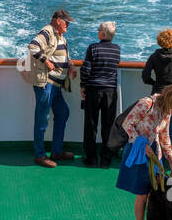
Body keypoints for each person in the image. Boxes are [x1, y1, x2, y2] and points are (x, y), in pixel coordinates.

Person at [116, 84, 172, 220]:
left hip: (155, 153)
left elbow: (164, 136)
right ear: (171, 99)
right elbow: (127, 124)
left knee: (154, 193)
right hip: (139, 151)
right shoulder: (146, 104)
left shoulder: (167, 111)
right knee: (142, 194)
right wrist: (142, 145)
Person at [27, 9, 74, 168]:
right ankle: (40, 155)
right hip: (46, 83)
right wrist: (46, 62)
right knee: (42, 118)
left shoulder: (61, 37)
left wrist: (71, 66)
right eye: (67, 22)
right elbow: (33, 46)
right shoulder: (48, 31)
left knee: (63, 112)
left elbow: (64, 57)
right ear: (58, 21)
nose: (68, 25)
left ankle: (56, 151)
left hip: (56, 86)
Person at [142, 28, 172, 169]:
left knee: (156, 129)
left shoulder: (154, 57)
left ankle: (157, 162)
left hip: (158, 97)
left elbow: (145, 76)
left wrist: (155, 83)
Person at [80, 21, 121, 167]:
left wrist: (82, 86)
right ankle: (106, 159)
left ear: (102, 34)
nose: (97, 31)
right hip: (110, 92)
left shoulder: (93, 48)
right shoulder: (117, 49)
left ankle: (91, 158)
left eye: (98, 30)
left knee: (91, 125)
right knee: (108, 126)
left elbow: (85, 70)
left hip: (94, 91)